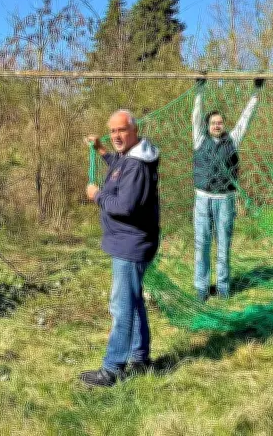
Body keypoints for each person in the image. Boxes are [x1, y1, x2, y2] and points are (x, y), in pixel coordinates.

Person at [80, 109, 161, 387]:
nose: (116, 135)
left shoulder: (137, 165)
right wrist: (102, 150)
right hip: (131, 241)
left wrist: (97, 196)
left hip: (131, 243)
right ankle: (139, 359)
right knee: (134, 301)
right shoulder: (130, 157)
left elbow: (124, 206)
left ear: (134, 131)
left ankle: (112, 368)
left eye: (121, 130)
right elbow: (118, 167)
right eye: (112, 131)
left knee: (122, 307)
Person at [192, 78, 264, 301]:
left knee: (223, 245)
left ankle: (223, 289)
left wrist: (256, 91)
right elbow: (196, 114)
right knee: (202, 244)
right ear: (207, 125)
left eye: (220, 122)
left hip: (226, 199)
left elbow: (246, 118)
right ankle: (201, 289)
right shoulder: (199, 139)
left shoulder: (233, 140)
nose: (217, 125)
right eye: (213, 122)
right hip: (203, 199)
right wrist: (200, 89)